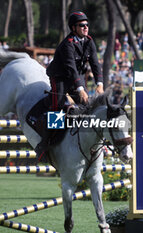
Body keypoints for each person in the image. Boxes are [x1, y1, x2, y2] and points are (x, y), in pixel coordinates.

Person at [35, 11, 104, 158]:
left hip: (75, 77)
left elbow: (95, 64)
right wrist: (80, 89)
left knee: (88, 106)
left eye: (87, 25)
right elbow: (71, 67)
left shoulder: (89, 41)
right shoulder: (67, 44)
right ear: (74, 28)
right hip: (59, 77)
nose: (86, 27)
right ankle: (45, 144)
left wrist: (100, 84)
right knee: (58, 108)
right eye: (82, 25)